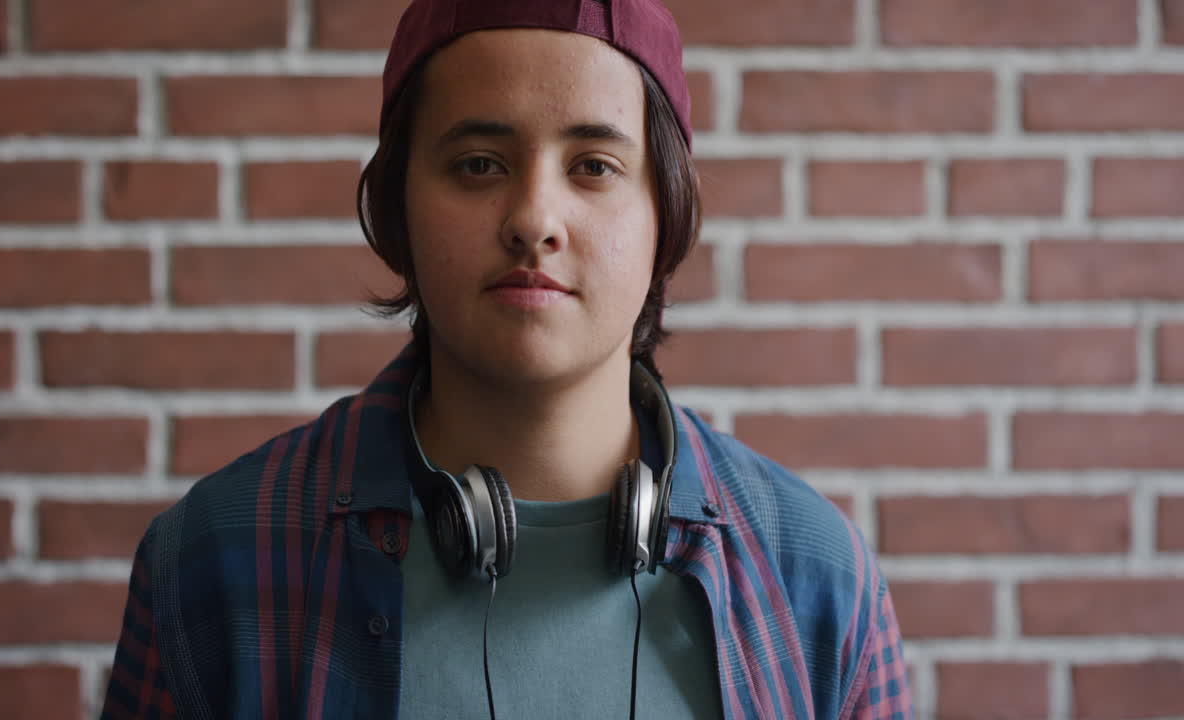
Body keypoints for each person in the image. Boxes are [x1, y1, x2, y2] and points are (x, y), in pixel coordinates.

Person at [100, 1, 912, 718]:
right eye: (478, 164)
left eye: (594, 166)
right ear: (396, 209)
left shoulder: (815, 578)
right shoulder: (214, 563)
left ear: (666, 213)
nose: (533, 219)